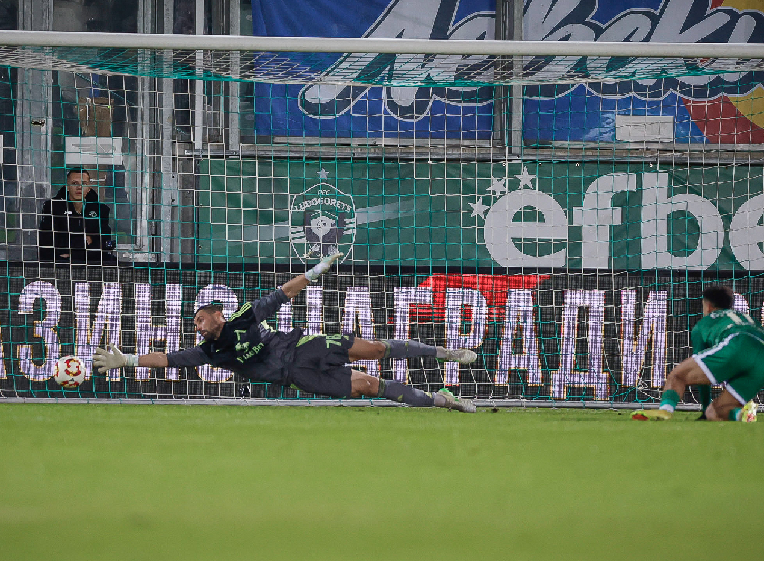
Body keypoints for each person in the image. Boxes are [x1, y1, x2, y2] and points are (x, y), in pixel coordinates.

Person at [91, 254, 478, 412]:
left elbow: (281, 295)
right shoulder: (210, 353)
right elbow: (167, 359)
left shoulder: (244, 317)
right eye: (195, 324)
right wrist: (127, 359)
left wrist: (314, 272)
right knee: (369, 386)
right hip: (296, 376)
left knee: (376, 349)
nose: (197, 326)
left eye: (200, 320)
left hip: (304, 346)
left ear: (217, 315)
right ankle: (442, 401)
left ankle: (443, 353)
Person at [631, 286, 764, 422]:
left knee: (677, 376)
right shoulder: (749, 320)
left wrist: (704, 408)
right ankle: (742, 415)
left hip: (736, 346)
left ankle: (665, 411)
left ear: (708, 306)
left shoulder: (704, 323)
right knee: (715, 412)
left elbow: (702, 377)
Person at [38, 168, 117, 264]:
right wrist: (85, 240)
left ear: (89, 188)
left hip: (92, 263)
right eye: (75, 183)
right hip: (61, 264)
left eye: (84, 183)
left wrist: (73, 253)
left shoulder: (101, 210)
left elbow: (105, 243)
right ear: (67, 187)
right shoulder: (52, 207)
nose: (79, 187)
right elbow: (48, 242)